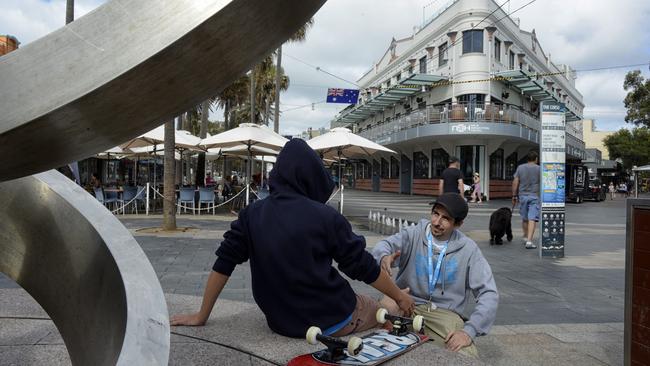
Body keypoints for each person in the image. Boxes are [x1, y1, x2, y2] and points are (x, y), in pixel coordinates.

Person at [170, 139, 415, 338]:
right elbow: (364, 267)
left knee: (376, 299)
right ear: (312, 177)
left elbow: (224, 262)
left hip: (281, 322)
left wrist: (202, 314)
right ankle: (399, 300)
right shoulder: (326, 217)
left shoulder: (252, 214)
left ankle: (396, 296)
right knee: (379, 305)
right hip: (332, 318)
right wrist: (399, 296)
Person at [372, 193, 498, 357]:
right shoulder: (414, 234)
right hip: (406, 302)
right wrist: (384, 256)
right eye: (435, 213)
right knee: (383, 311)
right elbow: (385, 245)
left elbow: (488, 293)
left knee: (465, 354)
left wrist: (469, 331)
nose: (437, 222)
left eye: (445, 218)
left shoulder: (468, 249)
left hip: (444, 314)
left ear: (458, 224)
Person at [512, 150, 540, 249]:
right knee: (532, 218)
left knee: (525, 218)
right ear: (536, 159)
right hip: (534, 196)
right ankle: (529, 241)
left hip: (522, 196)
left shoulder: (520, 168)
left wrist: (514, 196)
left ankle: (525, 236)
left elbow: (515, 182)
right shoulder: (539, 169)